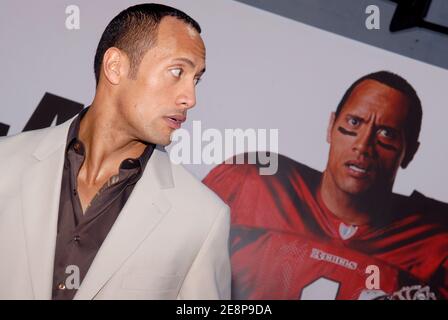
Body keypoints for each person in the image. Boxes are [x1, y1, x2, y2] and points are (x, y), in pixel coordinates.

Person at [0, 3, 230, 300]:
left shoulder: (203, 218)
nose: (190, 98)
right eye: (177, 71)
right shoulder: (5, 163)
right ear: (115, 67)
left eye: (196, 79)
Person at [203, 71, 448, 300]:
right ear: (331, 126)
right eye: (354, 122)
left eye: (386, 134)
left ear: (410, 153)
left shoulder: (437, 241)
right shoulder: (251, 182)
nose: (363, 146)